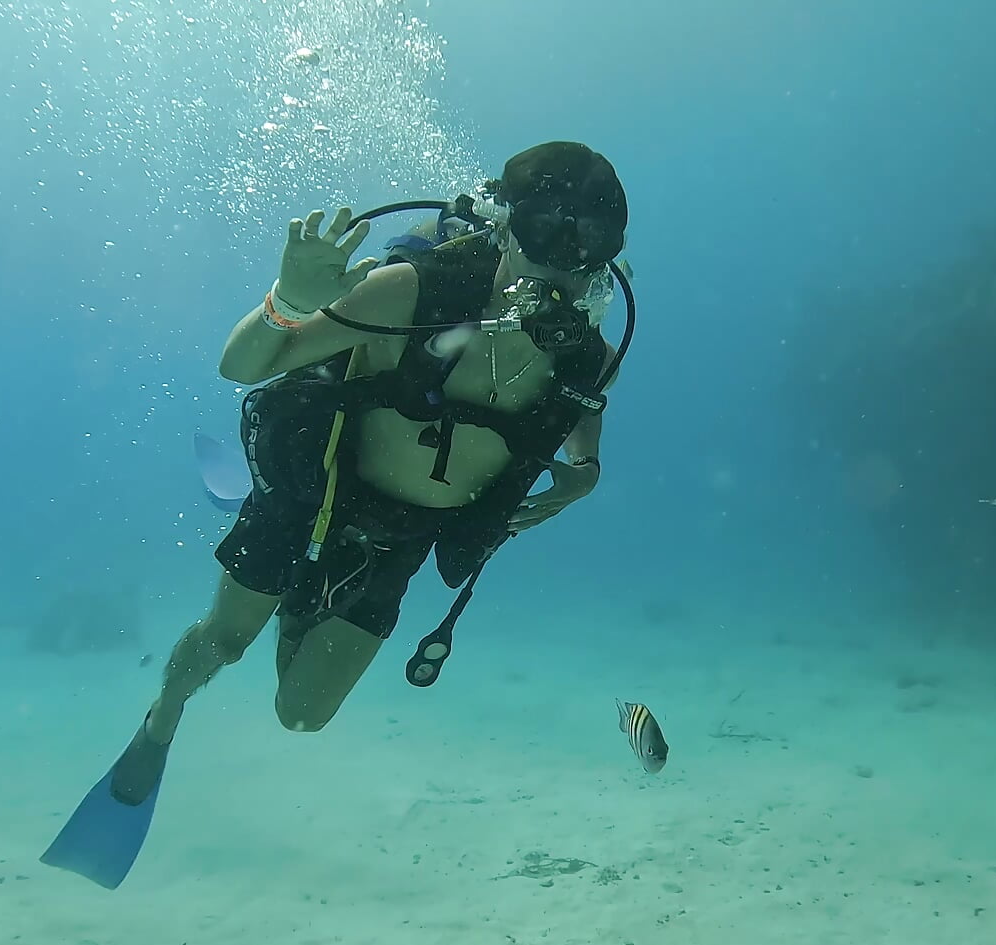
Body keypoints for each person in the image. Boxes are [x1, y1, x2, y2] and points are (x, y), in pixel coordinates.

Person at [40, 142, 631, 888]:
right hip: (313, 500)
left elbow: (583, 428)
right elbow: (243, 365)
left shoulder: (590, 353)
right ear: (508, 226)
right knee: (224, 642)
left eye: (593, 245)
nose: (566, 265)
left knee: (303, 714)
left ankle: (301, 603)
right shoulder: (409, 292)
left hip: (404, 540)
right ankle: (162, 720)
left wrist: (584, 476)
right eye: (549, 234)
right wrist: (288, 299)